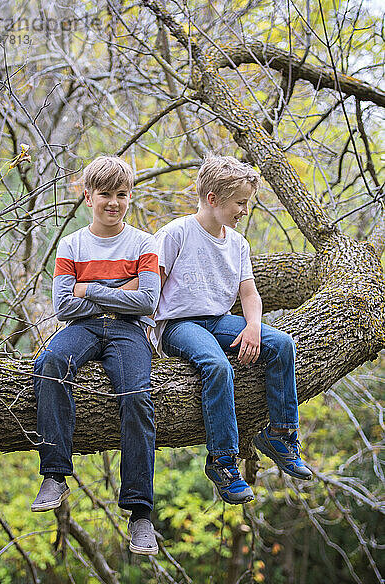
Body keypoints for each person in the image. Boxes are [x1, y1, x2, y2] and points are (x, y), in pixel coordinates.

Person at [151, 154, 312, 505]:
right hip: (178, 324)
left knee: (281, 344)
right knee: (217, 366)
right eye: (240, 203)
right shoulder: (176, 234)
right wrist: (145, 339)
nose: (244, 210)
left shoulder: (238, 243)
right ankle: (223, 462)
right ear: (213, 199)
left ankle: (280, 435)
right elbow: (151, 289)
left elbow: (249, 293)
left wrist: (254, 326)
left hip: (219, 320)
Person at [32, 156, 160, 555]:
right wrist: (122, 292)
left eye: (121, 194)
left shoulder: (144, 242)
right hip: (81, 330)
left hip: (129, 333)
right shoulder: (72, 244)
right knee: (50, 363)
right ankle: (55, 473)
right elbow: (64, 307)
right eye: (105, 194)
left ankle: (140, 514)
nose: (113, 203)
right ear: (88, 196)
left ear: (130, 196)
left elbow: (148, 301)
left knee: (136, 396)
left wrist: (90, 290)